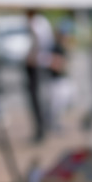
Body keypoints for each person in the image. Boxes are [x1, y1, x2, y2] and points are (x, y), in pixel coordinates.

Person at [25, 9, 54, 143]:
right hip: (39, 63)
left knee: (37, 99)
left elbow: (38, 43)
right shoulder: (42, 22)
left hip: (36, 65)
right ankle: (42, 128)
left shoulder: (36, 23)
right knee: (39, 98)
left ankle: (41, 130)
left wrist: (33, 57)